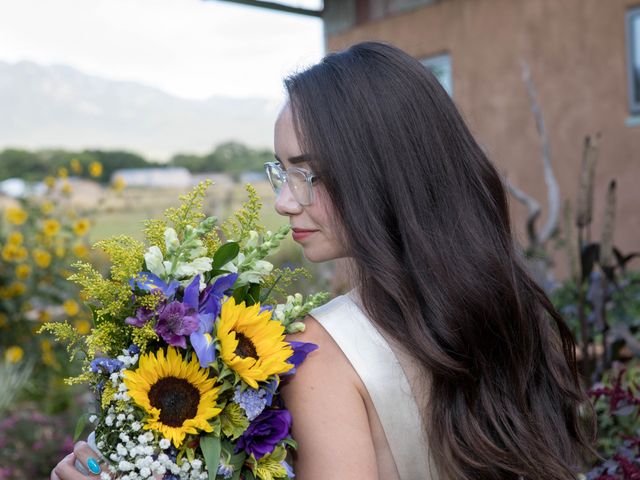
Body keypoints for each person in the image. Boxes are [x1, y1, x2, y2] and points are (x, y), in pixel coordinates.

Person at [52, 41, 594, 480]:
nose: (287, 200)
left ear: (382, 173)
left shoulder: (329, 352)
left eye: (309, 174)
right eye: (281, 172)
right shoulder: (506, 304)